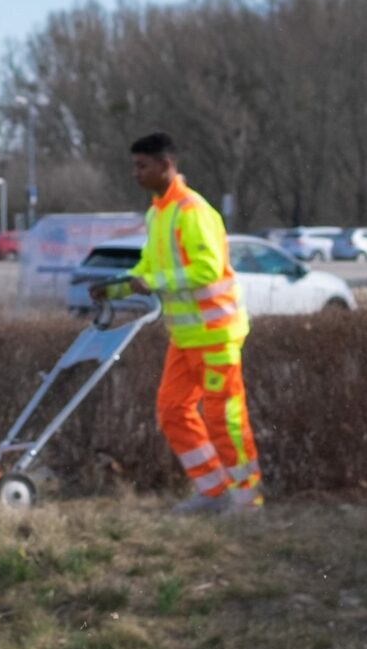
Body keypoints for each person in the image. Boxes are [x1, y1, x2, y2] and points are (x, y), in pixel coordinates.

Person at [91, 131, 263, 515]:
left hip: (216, 335)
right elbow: (148, 269)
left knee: (224, 418)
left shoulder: (192, 210)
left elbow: (206, 269)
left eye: (142, 166)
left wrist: (153, 282)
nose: (135, 174)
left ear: (166, 165)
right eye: (134, 166)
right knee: (172, 412)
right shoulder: (158, 213)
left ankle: (248, 500)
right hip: (185, 337)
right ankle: (214, 491)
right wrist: (115, 289)